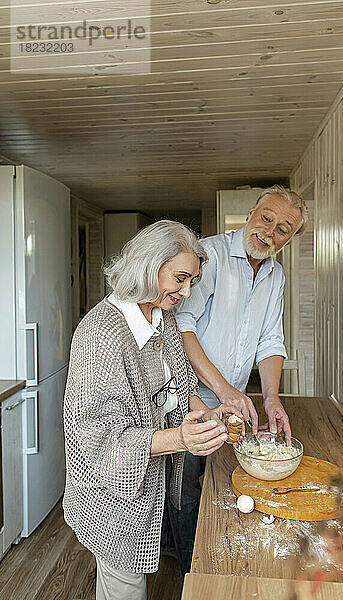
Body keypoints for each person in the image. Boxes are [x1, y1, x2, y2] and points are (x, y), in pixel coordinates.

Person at [63, 220, 243, 600]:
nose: (187, 291)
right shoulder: (102, 334)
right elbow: (100, 440)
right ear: (149, 264)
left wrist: (206, 413)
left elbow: (180, 383)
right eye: (180, 278)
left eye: (192, 280)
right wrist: (181, 437)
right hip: (110, 497)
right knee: (125, 590)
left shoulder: (163, 317)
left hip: (147, 486)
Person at [172, 185, 308, 567]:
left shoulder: (275, 276)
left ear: (290, 238)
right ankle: (190, 573)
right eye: (267, 217)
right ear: (252, 211)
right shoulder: (209, 255)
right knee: (184, 490)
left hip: (231, 402)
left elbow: (270, 341)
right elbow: (182, 327)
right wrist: (223, 388)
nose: (270, 231)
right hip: (187, 397)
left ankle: (221, 568)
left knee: (220, 487)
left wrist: (271, 399)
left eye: (284, 228)